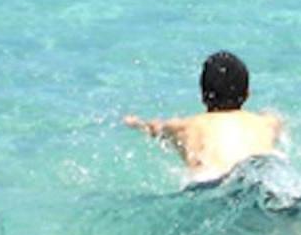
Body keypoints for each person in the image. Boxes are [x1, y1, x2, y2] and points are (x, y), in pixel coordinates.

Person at [123, 50, 287, 186]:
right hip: (266, 177)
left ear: (203, 96)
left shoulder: (185, 127)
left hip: (212, 182)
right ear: (247, 94)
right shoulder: (269, 123)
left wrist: (136, 123)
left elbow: (155, 128)